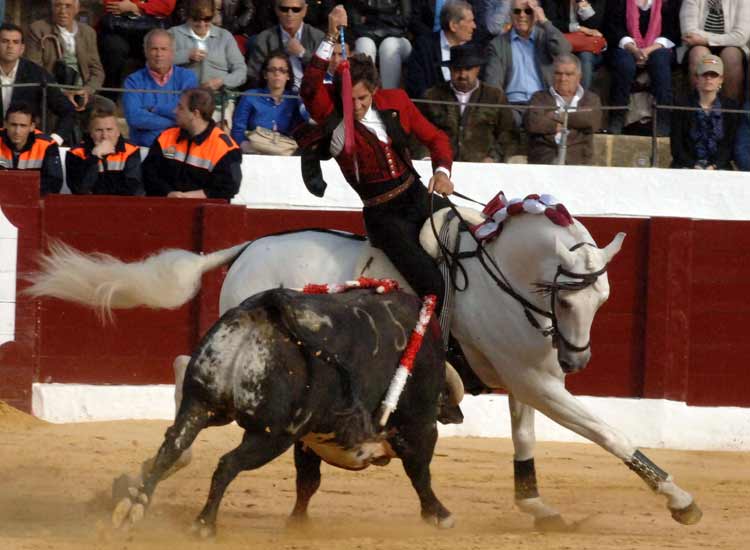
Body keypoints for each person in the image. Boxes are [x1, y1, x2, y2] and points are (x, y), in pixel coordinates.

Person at [299, 5, 455, 316]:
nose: (355, 106)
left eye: (362, 99)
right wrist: (330, 37)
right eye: (350, 99)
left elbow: (437, 139)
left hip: (417, 195)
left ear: (374, 90)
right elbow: (309, 87)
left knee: (467, 250)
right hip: (384, 216)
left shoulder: (395, 100)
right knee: (433, 285)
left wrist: (442, 171)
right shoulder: (332, 111)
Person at [142, 87, 242, 199]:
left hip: (206, 212)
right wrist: (168, 193)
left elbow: (229, 187)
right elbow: (148, 173)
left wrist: (185, 197)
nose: (174, 111)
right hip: (164, 207)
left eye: (180, 107)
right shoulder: (166, 137)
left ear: (195, 113)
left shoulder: (225, 148)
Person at [420, 42, 512, 162]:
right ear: (450, 69)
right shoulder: (432, 96)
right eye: (457, 69)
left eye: (468, 69)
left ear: (478, 69)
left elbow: (508, 135)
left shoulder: (495, 97)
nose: (462, 75)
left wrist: (493, 157)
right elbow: (418, 133)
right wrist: (425, 157)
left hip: (483, 169)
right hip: (440, 167)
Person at [484, 0, 571, 126]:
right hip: (511, 107)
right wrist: (501, 109)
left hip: (543, 106)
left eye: (528, 11)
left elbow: (564, 51)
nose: (522, 15)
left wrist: (544, 22)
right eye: (517, 11)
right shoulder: (498, 44)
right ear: (510, 14)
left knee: (548, 125)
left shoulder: (545, 37)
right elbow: (493, 83)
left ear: (536, 14)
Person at [603, 0, 680, 136]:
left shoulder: (669, 3)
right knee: (625, 64)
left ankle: (663, 120)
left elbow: (673, 31)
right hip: (625, 47)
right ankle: (617, 117)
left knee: (660, 61)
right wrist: (633, 49)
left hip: (658, 47)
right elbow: (612, 27)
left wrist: (647, 50)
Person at [169, 0, 247, 124]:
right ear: (187, 16)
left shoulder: (224, 36)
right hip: (184, 98)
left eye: (207, 19)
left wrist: (222, 81)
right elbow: (159, 62)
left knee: (220, 130)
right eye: (196, 19)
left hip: (218, 98)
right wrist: (185, 55)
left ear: (214, 15)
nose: (202, 24)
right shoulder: (174, 33)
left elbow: (241, 71)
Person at [26, 0, 107, 118]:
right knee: (61, 109)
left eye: (68, 6)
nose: (63, 11)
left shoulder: (88, 32)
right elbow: (34, 69)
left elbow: (97, 71)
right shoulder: (38, 29)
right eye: (58, 5)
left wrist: (87, 90)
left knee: (107, 107)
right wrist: (61, 92)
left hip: (82, 92)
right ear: (52, 8)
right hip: (52, 91)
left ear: (77, 8)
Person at [0, 23, 76, 145]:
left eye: (15, 42)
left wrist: (54, 140)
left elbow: (68, 110)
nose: (10, 46)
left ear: (22, 48)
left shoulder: (37, 74)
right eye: (5, 41)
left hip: (27, 144)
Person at [123, 29, 199, 147]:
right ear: (146, 51)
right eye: (154, 49)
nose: (159, 54)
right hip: (144, 147)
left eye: (164, 49)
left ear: (172, 52)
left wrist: (154, 109)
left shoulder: (187, 77)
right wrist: (174, 122)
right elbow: (135, 118)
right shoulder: (133, 81)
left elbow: (187, 115)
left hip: (179, 148)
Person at [525, 53, 602, 165]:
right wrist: (576, 122)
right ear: (552, 75)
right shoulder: (539, 97)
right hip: (543, 160)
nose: (563, 79)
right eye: (558, 73)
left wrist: (558, 116)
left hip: (578, 161)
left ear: (579, 76)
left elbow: (592, 121)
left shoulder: (591, 99)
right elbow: (533, 123)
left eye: (569, 74)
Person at [670, 54, 740, 170]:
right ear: (697, 78)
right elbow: (676, 145)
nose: (709, 78)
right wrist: (693, 165)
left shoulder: (731, 107)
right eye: (704, 74)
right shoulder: (681, 105)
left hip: (719, 167)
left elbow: (729, 144)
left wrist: (714, 165)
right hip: (686, 166)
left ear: (721, 80)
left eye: (713, 75)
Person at [231, 51, 308, 153]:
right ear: (265, 74)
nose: (277, 73)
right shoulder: (250, 96)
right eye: (272, 70)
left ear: (288, 76)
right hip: (254, 151)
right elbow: (238, 130)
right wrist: (248, 149)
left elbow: (301, 130)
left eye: (282, 70)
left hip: (285, 153)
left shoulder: (294, 99)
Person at [98, 0, 177, 94]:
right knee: (114, 48)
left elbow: (165, 6)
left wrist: (135, 7)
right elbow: (111, 4)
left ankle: (155, 96)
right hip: (117, 27)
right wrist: (143, 6)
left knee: (157, 46)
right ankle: (110, 98)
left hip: (150, 26)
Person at [680, 0, 750, 104]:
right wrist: (723, 39)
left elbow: (740, 37)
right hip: (698, 46)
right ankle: (698, 112)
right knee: (698, 54)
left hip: (732, 47)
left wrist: (705, 40)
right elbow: (689, 33)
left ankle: (731, 112)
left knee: (731, 56)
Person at [246, 0, 325, 90]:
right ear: (277, 10)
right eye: (284, 9)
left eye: (296, 9)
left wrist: (302, 53)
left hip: (309, 96)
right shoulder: (264, 38)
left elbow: (324, 72)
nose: (289, 14)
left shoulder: (318, 37)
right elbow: (253, 75)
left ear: (304, 11)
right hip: (275, 94)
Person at [406, 0, 476, 99]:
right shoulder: (424, 48)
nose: (474, 26)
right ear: (453, 26)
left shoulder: (474, 49)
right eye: (470, 21)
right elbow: (417, 89)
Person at [66, 107, 143, 195]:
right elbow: (79, 189)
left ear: (118, 132)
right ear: (91, 133)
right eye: (99, 130)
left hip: (121, 205)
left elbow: (133, 188)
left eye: (109, 130)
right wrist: (93, 158)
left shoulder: (131, 150)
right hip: (88, 205)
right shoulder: (75, 152)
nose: (104, 136)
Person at [0, 101, 63, 195]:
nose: (17, 131)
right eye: (13, 125)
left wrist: (23, 192)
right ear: (5, 124)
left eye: (23, 126)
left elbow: (53, 184)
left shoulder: (47, 145)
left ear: (32, 127)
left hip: (32, 200)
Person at [349, 0, 412, 89]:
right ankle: (366, 94)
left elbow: (406, 19)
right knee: (365, 44)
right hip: (366, 33)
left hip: (397, 37)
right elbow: (355, 20)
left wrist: (376, 18)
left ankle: (389, 96)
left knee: (389, 46)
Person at [545, 0, 607, 90]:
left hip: (588, 47)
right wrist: (579, 28)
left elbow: (596, 28)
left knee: (585, 56)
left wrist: (585, 9)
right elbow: (551, 23)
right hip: (563, 44)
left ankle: (582, 99)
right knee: (559, 53)